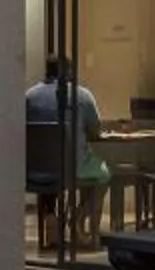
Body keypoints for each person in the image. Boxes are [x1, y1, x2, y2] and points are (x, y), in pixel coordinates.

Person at [24, 56, 107, 186]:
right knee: (103, 172)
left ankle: (47, 206)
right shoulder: (82, 95)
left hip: (35, 171)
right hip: (73, 169)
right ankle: (86, 206)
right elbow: (95, 132)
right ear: (68, 71)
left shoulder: (29, 96)